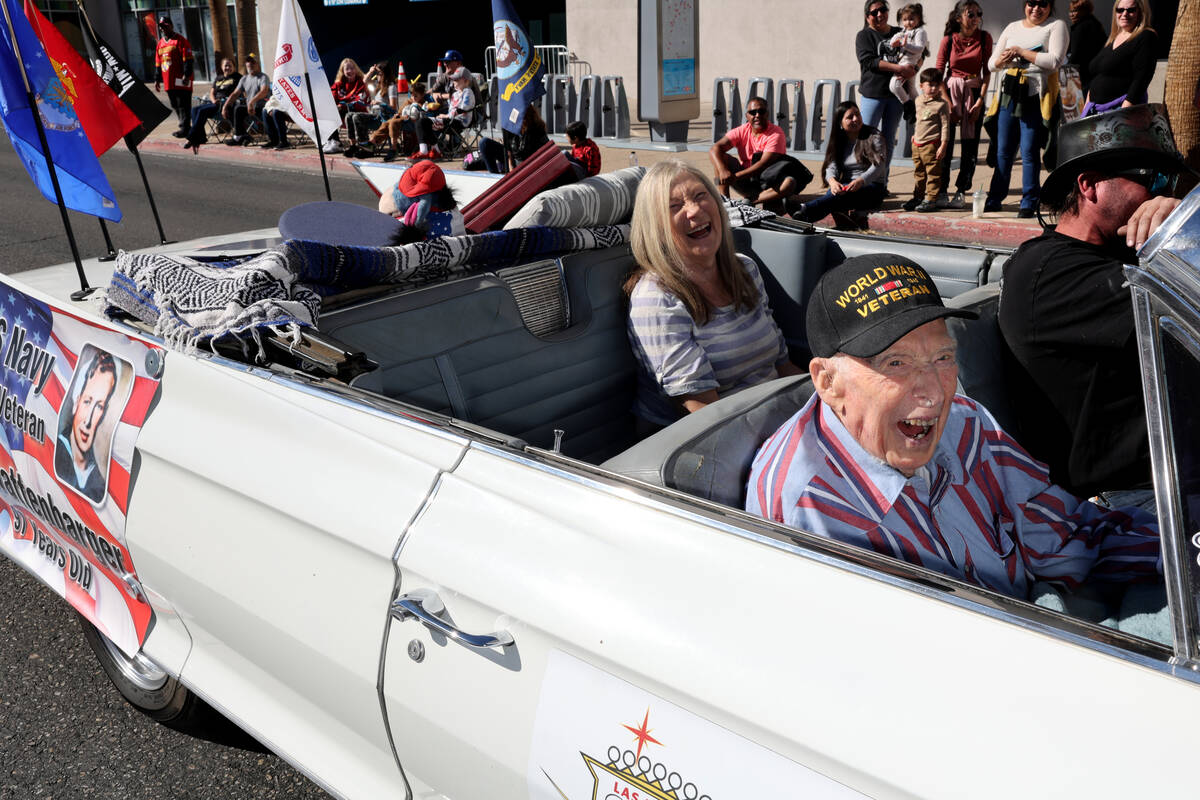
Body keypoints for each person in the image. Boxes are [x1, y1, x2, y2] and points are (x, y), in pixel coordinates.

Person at [745, 253, 1161, 601]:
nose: (933, 393)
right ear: (828, 382)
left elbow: (1069, 536)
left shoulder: (965, 422)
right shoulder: (810, 513)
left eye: (942, 358)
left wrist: (1174, 555)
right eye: (896, 363)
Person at [998, 104, 1188, 500]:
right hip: (1133, 499)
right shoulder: (1050, 273)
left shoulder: (1123, 252)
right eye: (1154, 179)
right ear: (1089, 186)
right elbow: (1184, 305)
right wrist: (1184, 228)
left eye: (1172, 183)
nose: (1166, 195)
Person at [625, 160, 800, 430]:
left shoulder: (744, 269)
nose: (694, 210)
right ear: (656, 227)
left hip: (773, 417)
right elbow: (702, 412)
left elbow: (783, 365)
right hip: (708, 440)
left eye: (700, 196)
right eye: (675, 206)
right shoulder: (656, 297)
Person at [983, 0, 1068, 218]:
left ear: (1050, 7)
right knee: (1003, 150)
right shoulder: (1012, 27)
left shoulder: (1056, 26)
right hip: (1008, 95)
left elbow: (1055, 60)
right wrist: (1003, 58)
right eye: (1032, 3)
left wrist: (1021, 52)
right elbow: (992, 65)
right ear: (1025, 5)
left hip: (1035, 97)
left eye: (1042, 4)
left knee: (1029, 150)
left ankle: (1029, 201)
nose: (1036, 9)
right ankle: (994, 198)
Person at [934, 0, 992, 208]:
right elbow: (939, 73)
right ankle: (941, 190)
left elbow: (987, 72)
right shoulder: (948, 40)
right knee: (946, 143)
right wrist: (948, 104)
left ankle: (961, 190)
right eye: (971, 14)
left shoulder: (984, 38)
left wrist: (980, 100)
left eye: (978, 14)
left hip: (974, 91)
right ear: (959, 18)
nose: (976, 18)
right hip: (950, 91)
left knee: (970, 145)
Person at [708, 96, 811, 212]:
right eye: (752, 112)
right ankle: (725, 204)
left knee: (790, 183)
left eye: (761, 111)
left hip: (770, 182)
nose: (757, 115)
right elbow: (715, 148)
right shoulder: (742, 130)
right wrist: (723, 171)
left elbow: (762, 165)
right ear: (747, 116)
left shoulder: (776, 134)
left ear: (767, 114)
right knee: (720, 157)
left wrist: (733, 177)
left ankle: (751, 201)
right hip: (747, 181)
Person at [792, 101, 887, 227]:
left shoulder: (874, 136)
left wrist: (861, 181)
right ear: (840, 123)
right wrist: (832, 182)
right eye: (850, 117)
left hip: (872, 188)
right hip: (847, 186)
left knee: (837, 197)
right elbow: (832, 166)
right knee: (835, 193)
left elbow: (878, 166)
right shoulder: (840, 140)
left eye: (857, 114)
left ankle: (804, 210)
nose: (856, 119)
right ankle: (805, 215)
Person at [857, 0, 913, 182]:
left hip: (895, 96)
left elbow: (919, 52)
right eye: (874, 13)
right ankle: (861, 180)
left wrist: (915, 67)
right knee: (866, 139)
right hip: (873, 94)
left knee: (887, 140)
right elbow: (869, 61)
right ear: (867, 17)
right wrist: (898, 69)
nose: (879, 15)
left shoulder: (900, 32)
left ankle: (881, 181)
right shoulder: (864, 36)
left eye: (883, 10)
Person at [55, 351, 118, 504]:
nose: (88, 421)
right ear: (77, 402)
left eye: (99, 406)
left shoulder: (99, 481)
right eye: (87, 401)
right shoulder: (55, 450)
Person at [1083, 0, 1156, 117]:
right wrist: (1087, 105)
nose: (1124, 14)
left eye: (1131, 10)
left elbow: (1142, 77)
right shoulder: (1113, 38)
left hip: (1119, 112)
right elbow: (1098, 74)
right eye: (1120, 10)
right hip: (1095, 111)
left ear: (1141, 12)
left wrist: (1125, 111)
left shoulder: (1145, 36)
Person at [903, 69, 950, 213]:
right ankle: (918, 197)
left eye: (936, 85)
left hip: (931, 144)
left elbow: (945, 126)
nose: (933, 88)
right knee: (919, 173)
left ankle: (931, 199)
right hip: (917, 143)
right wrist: (915, 135)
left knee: (933, 173)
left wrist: (943, 145)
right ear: (921, 85)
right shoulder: (918, 100)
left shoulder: (941, 105)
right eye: (930, 85)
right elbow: (918, 120)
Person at [182, 57, 240, 151]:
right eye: (226, 65)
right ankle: (201, 137)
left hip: (225, 104)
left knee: (201, 110)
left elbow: (237, 93)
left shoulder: (237, 77)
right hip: (215, 103)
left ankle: (190, 137)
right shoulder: (219, 78)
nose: (228, 68)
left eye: (230, 65)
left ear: (234, 67)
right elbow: (212, 92)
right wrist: (213, 100)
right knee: (194, 109)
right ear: (222, 67)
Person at [344, 61, 398, 157]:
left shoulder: (391, 86)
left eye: (379, 73)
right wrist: (371, 71)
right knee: (349, 115)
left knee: (357, 117)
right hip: (375, 115)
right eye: (377, 74)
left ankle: (367, 149)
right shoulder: (379, 85)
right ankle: (353, 145)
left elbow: (393, 107)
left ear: (385, 74)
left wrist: (380, 103)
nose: (377, 76)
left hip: (383, 116)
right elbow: (364, 81)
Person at [154, 16, 194, 137]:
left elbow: (188, 60)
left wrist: (186, 75)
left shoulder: (180, 40)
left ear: (171, 26)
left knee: (183, 104)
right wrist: (157, 79)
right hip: (169, 82)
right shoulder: (160, 44)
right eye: (161, 27)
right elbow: (158, 63)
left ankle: (185, 128)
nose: (163, 29)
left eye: (165, 26)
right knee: (174, 104)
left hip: (182, 80)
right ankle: (184, 126)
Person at [221, 54, 270, 147]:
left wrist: (252, 101)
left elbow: (264, 91)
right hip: (249, 108)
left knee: (241, 108)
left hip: (261, 108)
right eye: (248, 62)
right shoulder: (244, 78)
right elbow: (235, 94)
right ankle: (239, 136)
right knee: (236, 109)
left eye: (253, 62)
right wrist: (225, 106)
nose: (250, 64)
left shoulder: (263, 77)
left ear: (257, 64)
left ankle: (273, 137)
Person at [888, 3, 928, 113]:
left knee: (894, 86)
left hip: (908, 64)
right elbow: (893, 40)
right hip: (904, 63)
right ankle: (919, 107)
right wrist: (894, 43)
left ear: (918, 19)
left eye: (911, 19)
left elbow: (920, 49)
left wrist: (906, 45)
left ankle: (908, 105)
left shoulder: (920, 32)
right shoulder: (904, 31)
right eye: (905, 19)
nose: (908, 22)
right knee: (911, 88)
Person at [326, 58, 370, 154]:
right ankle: (334, 141)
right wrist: (336, 105)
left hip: (357, 111)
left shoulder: (360, 83)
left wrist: (342, 105)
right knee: (327, 111)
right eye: (347, 69)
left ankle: (338, 143)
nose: (350, 71)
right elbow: (331, 99)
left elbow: (359, 100)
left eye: (352, 68)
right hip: (341, 111)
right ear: (343, 71)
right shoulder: (338, 84)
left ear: (356, 69)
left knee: (340, 113)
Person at [1067, 0, 1107, 93]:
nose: (1071, 14)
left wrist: (1064, 71)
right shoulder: (1096, 24)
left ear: (1084, 11)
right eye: (1070, 11)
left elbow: (1075, 55)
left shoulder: (1080, 28)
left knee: (1078, 105)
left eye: (1075, 11)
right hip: (1096, 74)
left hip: (1081, 75)